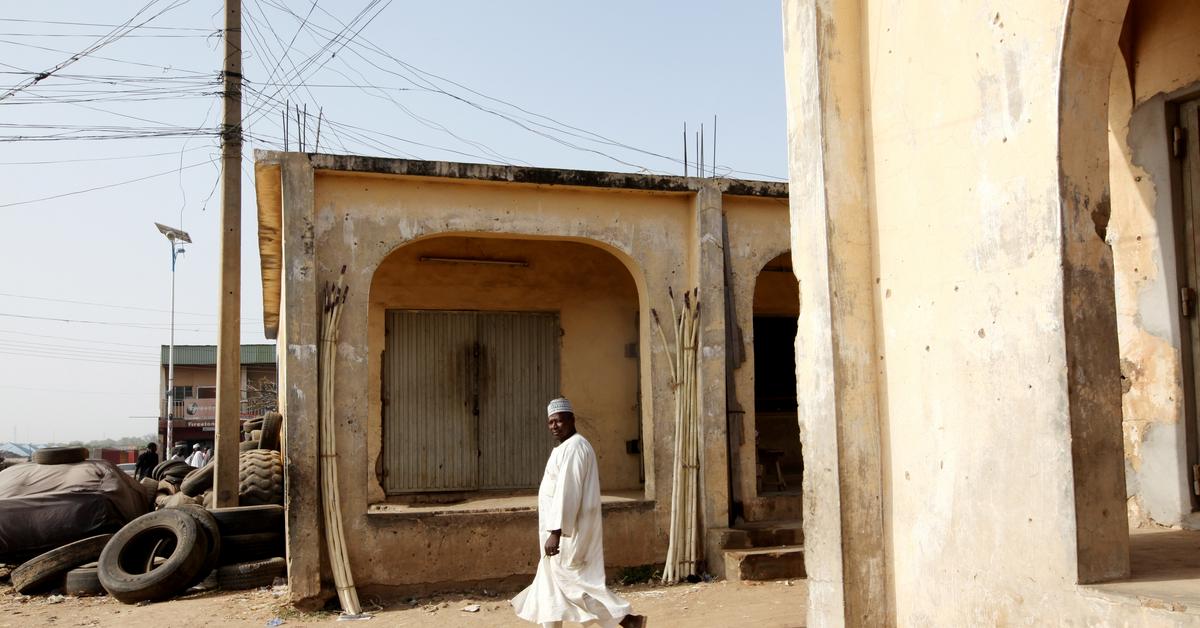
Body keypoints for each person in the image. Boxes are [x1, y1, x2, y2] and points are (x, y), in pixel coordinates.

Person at [512, 398, 646, 628]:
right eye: (550, 422)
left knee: (574, 586)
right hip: (558, 532)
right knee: (550, 588)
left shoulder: (574, 447)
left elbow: (568, 492)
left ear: (572, 420)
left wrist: (556, 531)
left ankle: (627, 620)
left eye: (559, 421)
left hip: (567, 535)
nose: (554, 426)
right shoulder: (565, 448)